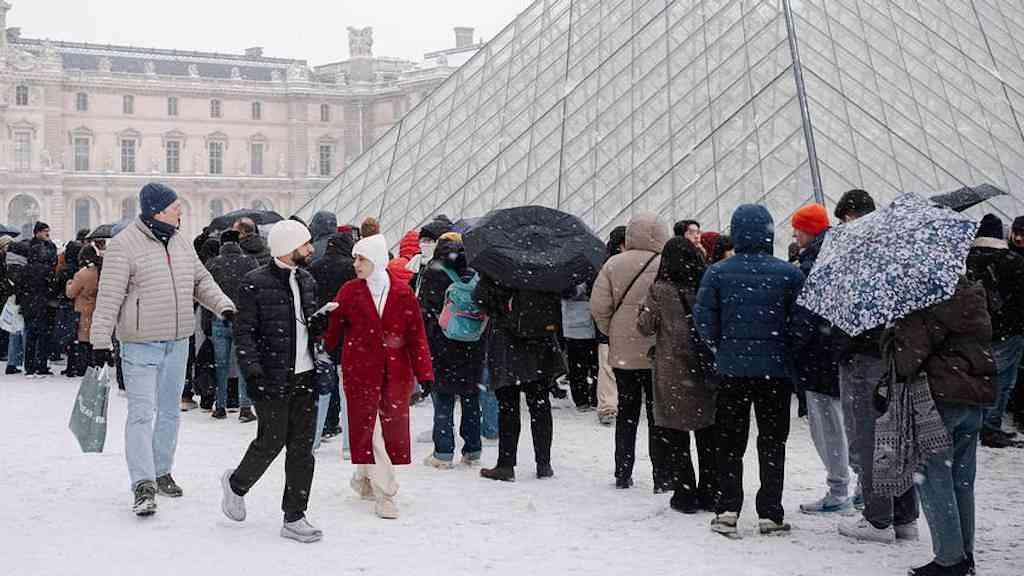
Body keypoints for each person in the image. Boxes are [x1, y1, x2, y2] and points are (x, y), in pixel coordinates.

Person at [90, 183, 235, 517]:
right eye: (174, 207)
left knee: (170, 411)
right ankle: (142, 484)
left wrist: (223, 306)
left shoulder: (182, 241)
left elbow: (201, 281)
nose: (180, 210)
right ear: (156, 211)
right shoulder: (124, 245)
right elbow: (109, 296)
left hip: (177, 341)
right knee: (142, 413)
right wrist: (100, 341)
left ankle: (161, 470)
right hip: (140, 343)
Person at [694, 204, 804, 537]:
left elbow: (704, 321)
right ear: (769, 233)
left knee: (729, 443)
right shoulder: (789, 274)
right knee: (772, 443)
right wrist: (783, 350)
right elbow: (800, 325)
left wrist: (723, 347)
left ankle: (727, 509)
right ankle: (770, 512)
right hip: (776, 372)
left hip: (732, 371)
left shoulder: (717, 272)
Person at [221, 220, 328, 542]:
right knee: (271, 441)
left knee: (302, 449)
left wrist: (321, 322)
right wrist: (253, 374)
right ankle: (237, 484)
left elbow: (307, 326)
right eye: (305, 244)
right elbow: (245, 333)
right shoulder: (254, 282)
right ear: (287, 249)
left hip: (305, 375)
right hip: (272, 377)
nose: (311, 250)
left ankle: (294, 516)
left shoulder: (307, 280)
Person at [324, 233, 434, 519]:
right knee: (371, 429)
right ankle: (386, 493)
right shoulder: (349, 291)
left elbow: (415, 335)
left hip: (395, 373)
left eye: (361, 258)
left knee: (382, 430)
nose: (356, 264)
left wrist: (425, 372)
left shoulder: (402, 293)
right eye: (355, 259)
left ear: (376, 259)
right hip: (360, 370)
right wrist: (322, 331)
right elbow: (333, 331)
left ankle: (363, 479)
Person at [891, 277, 995, 576]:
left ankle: (949, 559)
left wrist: (893, 334)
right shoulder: (974, 296)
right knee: (962, 481)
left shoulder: (926, 300)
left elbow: (908, 359)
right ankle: (965, 555)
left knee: (933, 478)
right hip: (972, 397)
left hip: (938, 398)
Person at [832, 189, 920, 544]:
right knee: (897, 436)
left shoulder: (858, 254)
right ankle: (905, 516)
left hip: (866, 357)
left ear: (853, 215)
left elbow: (849, 316)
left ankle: (877, 517)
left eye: (843, 219)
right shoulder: (899, 249)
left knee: (869, 438)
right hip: (896, 357)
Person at [591, 213, 673, 491]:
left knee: (627, 413)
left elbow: (599, 307)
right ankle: (661, 475)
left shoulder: (614, 264)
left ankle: (622, 471)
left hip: (624, 352)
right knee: (656, 416)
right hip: (657, 350)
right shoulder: (666, 263)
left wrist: (613, 330)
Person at [637, 237, 717, 513]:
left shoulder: (660, 290)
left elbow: (645, 327)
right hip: (703, 367)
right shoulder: (705, 284)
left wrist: (644, 308)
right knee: (707, 431)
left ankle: (685, 493)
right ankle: (710, 490)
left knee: (676, 433)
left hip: (672, 369)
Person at [789, 203, 854, 514]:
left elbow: (804, 319)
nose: (794, 234)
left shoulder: (812, 264)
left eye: (798, 228)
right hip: (839, 355)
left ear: (809, 230)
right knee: (844, 425)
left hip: (819, 358)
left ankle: (839, 489)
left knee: (827, 428)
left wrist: (792, 347)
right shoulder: (839, 257)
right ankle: (855, 488)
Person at [475, 274, 562, 482]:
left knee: (508, 407)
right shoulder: (545, 270)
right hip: (539, 344)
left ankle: (506, 464)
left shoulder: (497, 268)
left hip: (507, 345)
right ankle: (544, 463)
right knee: (540, 405)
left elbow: (479, 298)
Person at [417, 233, 484, 469]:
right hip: (473, 344)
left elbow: (423, 311)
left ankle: (443, 452)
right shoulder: (476, 273)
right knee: (470, 397)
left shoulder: (433, 273)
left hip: (442, 343)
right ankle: (473, 449)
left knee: (443, 398)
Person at [963, 214, 1024, 449]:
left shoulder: (969, 258)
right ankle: (991, 428)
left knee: (982, 377)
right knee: (1002, 381)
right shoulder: (1012, 260)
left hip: (978, 330)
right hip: (1009, 331)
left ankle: (979, 424)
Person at [205, 229, 261, 422]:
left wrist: (207, 323)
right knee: (243, 363)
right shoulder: (250, 263)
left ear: (222, 244)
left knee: (220, 365)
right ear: (239, 243)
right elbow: (256, 293)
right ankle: (245, 407)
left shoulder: (213, 264)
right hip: (243, 320)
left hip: (218, 318)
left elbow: (206, 295)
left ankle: (220, 406)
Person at [309, 228, 357, 446]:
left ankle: (323, 426)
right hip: (346, 329)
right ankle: (347, 438)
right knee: (344, 381)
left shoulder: (315, 266)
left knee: (323, 383)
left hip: (322, 328)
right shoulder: (350, 268)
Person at [11, 222, 57, 376]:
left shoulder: (25, 268)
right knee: (42, 335)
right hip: (42, 303)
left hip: (28, 303)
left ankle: (29, 366)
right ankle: (40, 365)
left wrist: (20, 299)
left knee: (30, 333)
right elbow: (51, 286)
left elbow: (19, 285)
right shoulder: (46, 269)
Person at [596, 226, 627, 426]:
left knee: (607, 367)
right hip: (627, 325)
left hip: (609, 325)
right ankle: (614, 405)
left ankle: (608, 407)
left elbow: (598, 300)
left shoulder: (604, 265)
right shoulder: (634, 264)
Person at [65, 245, 102, 378]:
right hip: (97, 308)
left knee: (82, 340)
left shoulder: (82, 273)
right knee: (94, 339)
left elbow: (71, 293)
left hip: (83, 308)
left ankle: (82, 366)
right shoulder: (101, 271)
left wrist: (69, 283)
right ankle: (95, 364)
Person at [562, 281, 598, 412]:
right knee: (593, 367)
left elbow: (564, 293)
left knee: (577, 368)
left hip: (572, 328)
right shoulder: (592, 274)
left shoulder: (565, 273)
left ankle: (582, 400)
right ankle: (593, 398)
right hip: (589, 327)